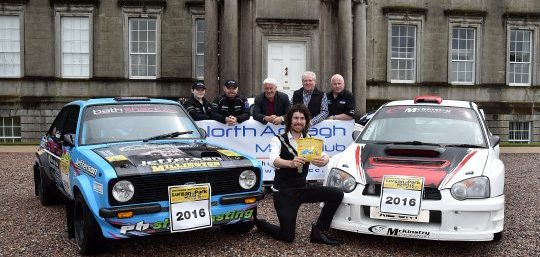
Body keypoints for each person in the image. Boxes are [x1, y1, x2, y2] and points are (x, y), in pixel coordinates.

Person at [256, 104, 344, 245]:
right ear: (289, 120)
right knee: (287, 237)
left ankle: (318, 232)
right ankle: (261, 224)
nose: (299, 121)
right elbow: (273, 160)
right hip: (284, 193)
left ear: (306, 121)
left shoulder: (309, 140)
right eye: (295, 118)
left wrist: (324, 160)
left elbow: (324, 155)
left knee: (336, 194)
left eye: (302, 118)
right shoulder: (278, 139)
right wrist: (290, 163)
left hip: (302, 189)